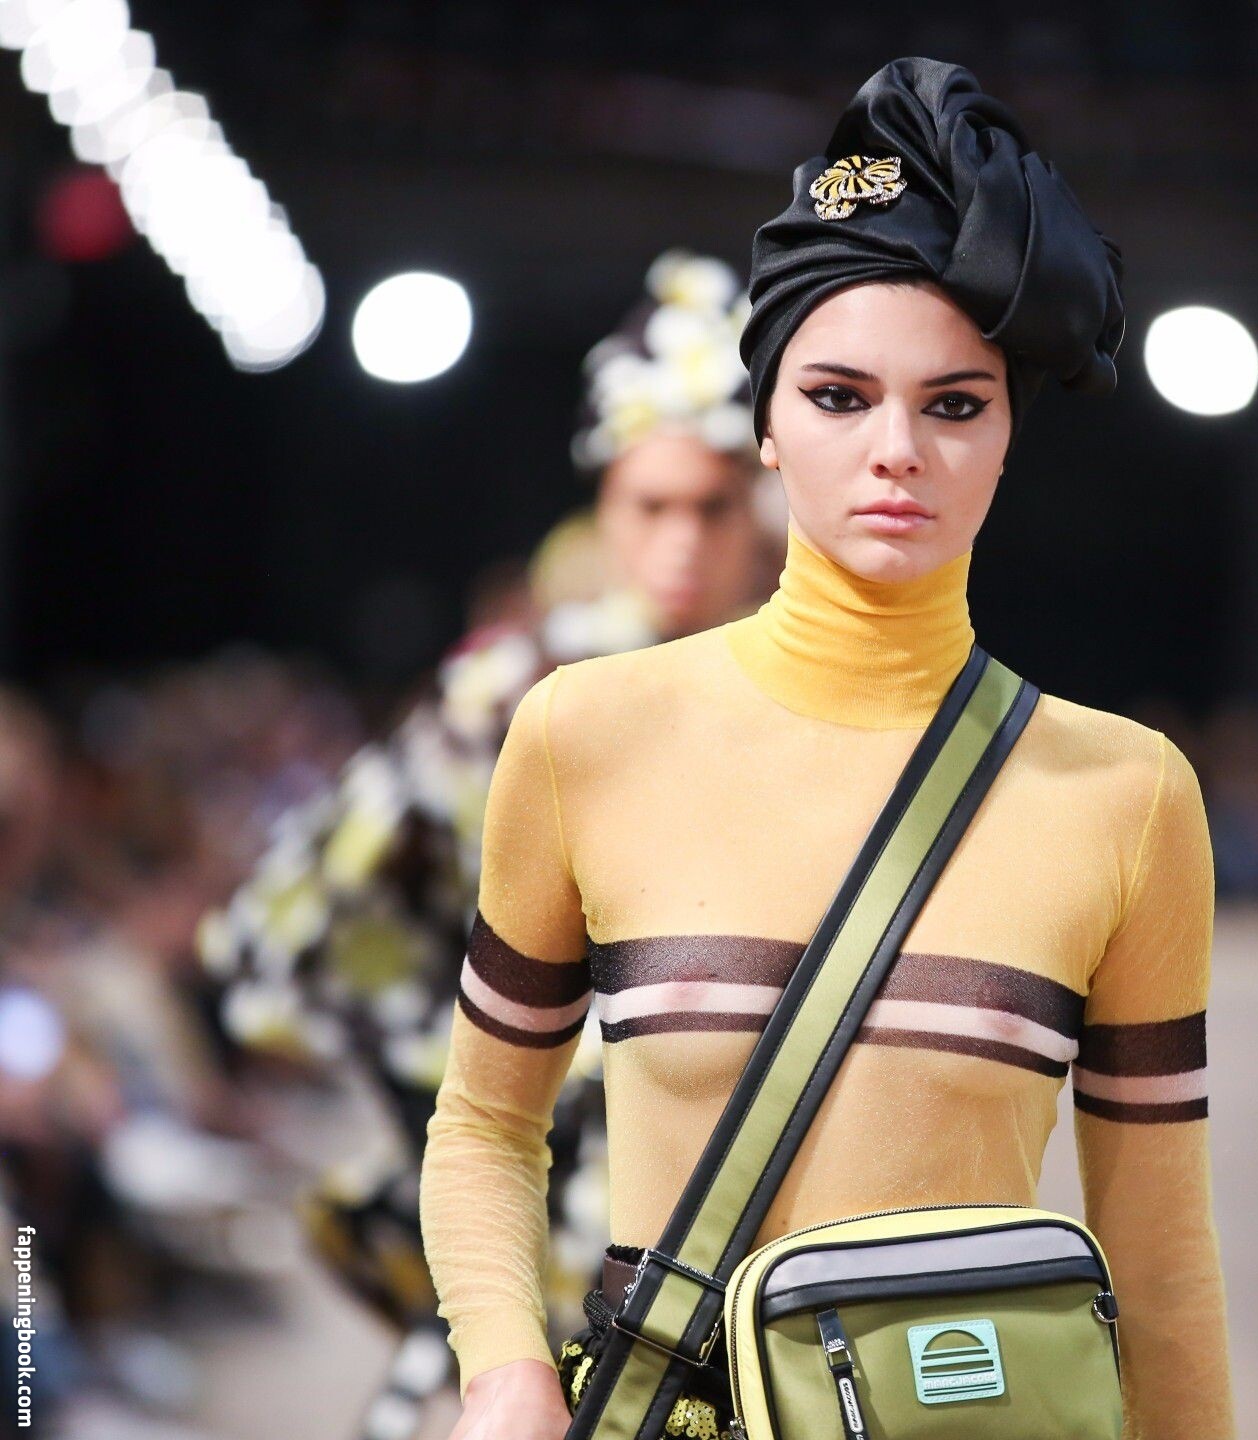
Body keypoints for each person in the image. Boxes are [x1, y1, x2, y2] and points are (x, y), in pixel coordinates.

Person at [422, 58, 1234, 1440]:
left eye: (956, 402)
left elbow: (1158, 1259)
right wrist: (504, 1370)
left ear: (1010, 435)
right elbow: (486, 1126)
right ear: (764, 424)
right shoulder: (585, 736)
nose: (897, 449)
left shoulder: (1128, 797)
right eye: (840, 395)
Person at [199, 251, 781, 1439]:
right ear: (602, 504)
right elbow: (284, 933)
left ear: (762, 510)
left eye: (712, 508)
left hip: (765, 1197)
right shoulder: (519, 693)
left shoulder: (814, 700)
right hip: (571, 1214)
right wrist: (485, 1069)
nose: (680, 541)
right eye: (651, 506)